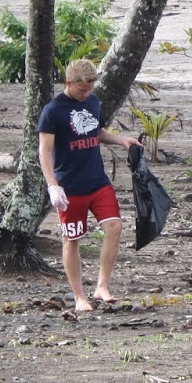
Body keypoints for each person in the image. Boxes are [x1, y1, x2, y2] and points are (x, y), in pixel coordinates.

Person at [37, 59, 141, 313]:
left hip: (97, 180)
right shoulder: (53, 111)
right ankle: (79, 296)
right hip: (69, 186)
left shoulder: (92, 102)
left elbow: (96, 133)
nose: (87, 94)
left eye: (90, 89)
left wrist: (121, 140)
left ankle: (102, 286)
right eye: (82, 90)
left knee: (115, 226)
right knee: (72, 239)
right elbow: (44, 150)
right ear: (68, 83)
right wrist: (53, 186)